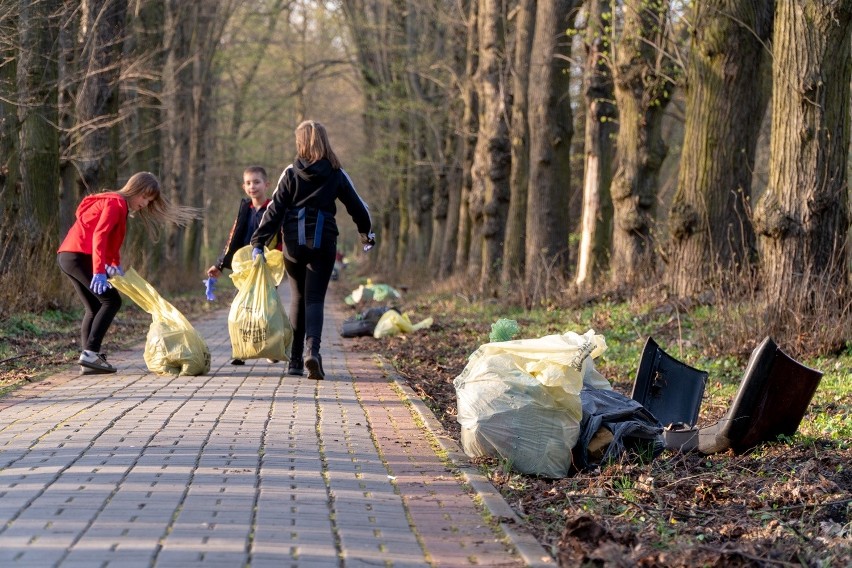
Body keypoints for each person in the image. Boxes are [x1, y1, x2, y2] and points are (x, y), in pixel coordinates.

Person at [251, 120, 374, 380]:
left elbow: (274, 210)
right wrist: (366, 235)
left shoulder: (290, 173)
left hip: (294, 244)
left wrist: (258, 242)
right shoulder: (336, 172)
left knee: (297, 298)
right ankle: (312, 352)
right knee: (315, 298)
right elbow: (358, 207)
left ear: (300, 142)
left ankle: (294, 361)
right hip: (323, 241)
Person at [57, 172, 199, 375]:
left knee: (95, 306)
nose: (145, 204)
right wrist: (99, 270)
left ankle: (88, 357)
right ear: (136, 190)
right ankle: (90, 354)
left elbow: (111, 241)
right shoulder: (116, 204)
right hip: (79, 257)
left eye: (149, 201)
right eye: (145, 197)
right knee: (111, 301)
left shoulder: (116, 204)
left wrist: (113, 264)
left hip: (68, 256)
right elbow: (100, 235)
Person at [206, 165, 283, 365]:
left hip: (266, 268)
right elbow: (232, 239)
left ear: (267, 184)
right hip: (244, 270)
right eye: (248, 183)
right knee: (240, 309)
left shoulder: (273, 209)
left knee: (267, 310)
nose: (252, 186)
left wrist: (278, 259)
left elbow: (281, 239)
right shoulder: (244, 211)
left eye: (256, 182)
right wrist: (219, 265)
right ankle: (239, 350)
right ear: (243, 187)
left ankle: (270, 348)